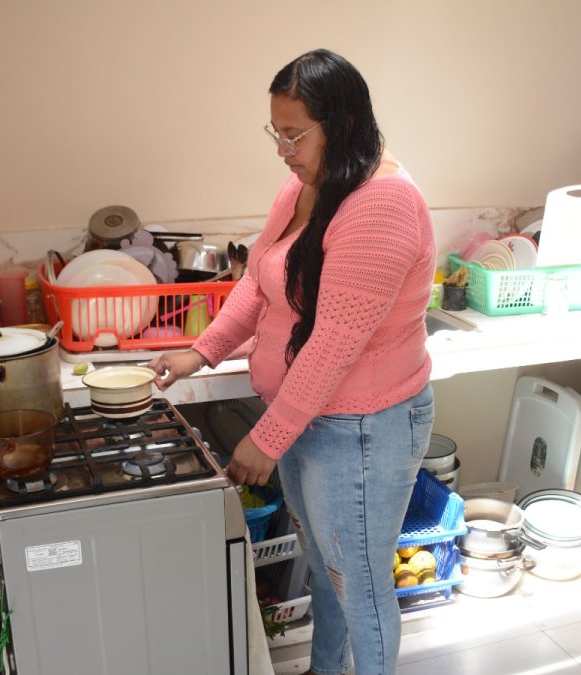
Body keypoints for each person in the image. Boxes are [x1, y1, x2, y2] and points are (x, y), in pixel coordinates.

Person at [147, 49, 435, 675]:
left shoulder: (381, 206)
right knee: (329, 575)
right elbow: (258, 281)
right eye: (276, 132)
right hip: (310, 418)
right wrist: (202, 350)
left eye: (295, 133)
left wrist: (269, 437)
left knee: (358, 582)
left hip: (361, 427)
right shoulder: (306, 184)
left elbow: (334, 341)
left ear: (347, 125)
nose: (282, 148)